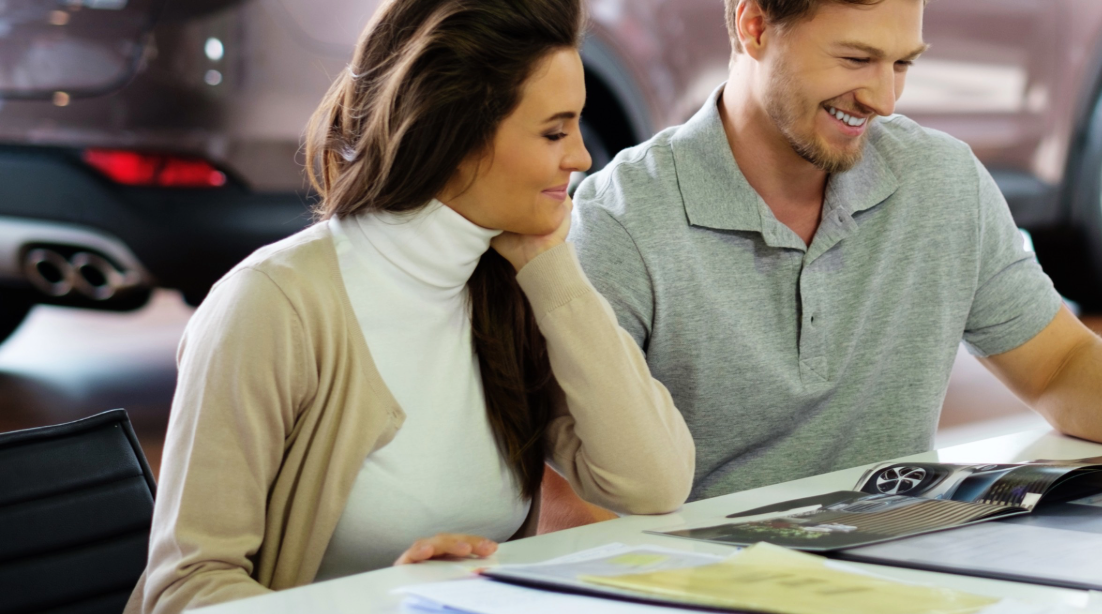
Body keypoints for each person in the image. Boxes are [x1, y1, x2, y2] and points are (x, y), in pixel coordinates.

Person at [567, 0, 1102, 504]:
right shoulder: (623, 220)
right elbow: (572, 485)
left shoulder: (941, 180)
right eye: (855, 59)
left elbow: (1059, 365)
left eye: (902, 64)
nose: (884, 99)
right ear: (753, 26)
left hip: (904, 573)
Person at [128, 1, 695, 612]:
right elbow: (183, 588)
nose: (582, 158)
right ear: (454, 135)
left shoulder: (507, 288)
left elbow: (653, 482)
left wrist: (552, 269)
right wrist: (383, 603)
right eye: (554, 132)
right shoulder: (274, 305)